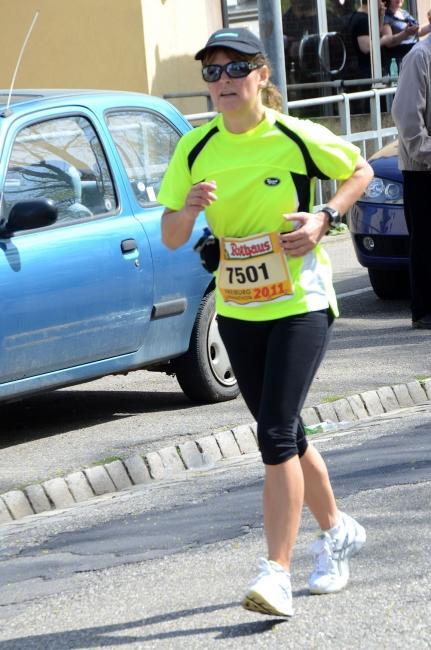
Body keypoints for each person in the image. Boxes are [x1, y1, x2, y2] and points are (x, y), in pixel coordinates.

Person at [158, 27, 372, 617]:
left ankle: (275, 572)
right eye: (211, 72)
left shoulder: (294, 135)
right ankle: (337, 532)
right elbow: (172, 236)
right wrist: (191, 209)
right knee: (288, 434)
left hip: (301, 303)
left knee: (274, 434)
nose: (221, 82)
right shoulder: (196, 148)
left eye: (234, 70)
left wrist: (324, 216)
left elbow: (362, 170)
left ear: (261, 75)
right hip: (239, 307)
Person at [391, 31, 431, 329]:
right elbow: (407, 119)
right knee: (426, 242)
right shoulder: (420, 56)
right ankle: (424, 311)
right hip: (423, 168)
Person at [384, 0, 431, 73]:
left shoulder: (404, 13)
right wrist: (406, 33)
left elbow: (418, 31)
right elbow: (389, 43)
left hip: (414, 56)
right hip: (398, 60)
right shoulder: (385, 16)